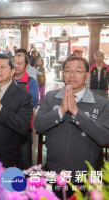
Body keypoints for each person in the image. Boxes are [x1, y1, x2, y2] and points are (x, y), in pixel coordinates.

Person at [34, 56, 109, 197]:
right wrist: (60, 111)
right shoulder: (51, 97)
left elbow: (104, 137)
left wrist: (76, 113)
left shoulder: (101, 103)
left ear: (87, 75)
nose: (72, 75)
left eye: (78, 71)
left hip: (85, 176)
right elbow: (39, 125)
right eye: (68, 70)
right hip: (54, 172)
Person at [14, 53, 39, 170]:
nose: (16, 66)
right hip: (7, 124)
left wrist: (17, 90)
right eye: (14, 63)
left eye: (19, 63)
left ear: (27, 65)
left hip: (25, 126)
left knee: (25, 159)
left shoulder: (31, 82)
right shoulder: (7, 79)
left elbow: (34, 101)